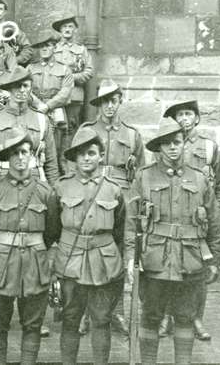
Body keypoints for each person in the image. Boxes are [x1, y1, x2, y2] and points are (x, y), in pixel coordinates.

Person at [125, 119, 220, 365]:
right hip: (154, 260)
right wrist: (129, 258)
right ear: (158, 148)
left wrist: (215, 261)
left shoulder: (200, 178)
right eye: (166, 144)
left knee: (186, 316)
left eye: (177, 142)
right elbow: (130, 222)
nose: (172, 148)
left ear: (184, 144)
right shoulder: (144, 177)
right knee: (150, 316)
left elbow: (213, 221)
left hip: (191, 260)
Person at [0, 129, 58, 365]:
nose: (21, 158)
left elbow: (52, 231)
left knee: (32, 324)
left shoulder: (45, 193)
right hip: (0, 266)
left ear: (32, 156)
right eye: (15, 153)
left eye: (25, 152)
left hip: (34, 266)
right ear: (7, 158)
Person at [50, 127, 126, 365]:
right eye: (81, 154)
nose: (86, 158)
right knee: (70, 318)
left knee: (101, 319)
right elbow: (52, 228)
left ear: (101, 156)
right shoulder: (61, 187)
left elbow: (120, 230)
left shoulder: (114, 189)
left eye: (91, 153)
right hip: (70, 261)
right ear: (74, 158)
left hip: (104, 263)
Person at [156, 100, 220, 340]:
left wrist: (218, 214)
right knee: (169, 266)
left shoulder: (208, 147)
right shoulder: (166, 144)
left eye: (188, 114)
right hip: (172, 216)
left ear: (196, 118)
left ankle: (196, 317)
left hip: (200, 219)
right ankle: (166, 316)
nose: (184, 119)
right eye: (180, 115)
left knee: (198, 269)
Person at [76, 79, 143, 335]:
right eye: (104, 102)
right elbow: (76, 164)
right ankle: (84, 313)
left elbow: (138, 174)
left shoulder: (132, 134)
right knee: (88, 249)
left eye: (113, 101)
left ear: (120, 101)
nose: (109, 107)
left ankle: (117, 312)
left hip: (122, 198)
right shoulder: (86, 129)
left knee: (120, 251)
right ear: (98, 105)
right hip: (91, 195)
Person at [0, 67, 60, 190]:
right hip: (1, 182)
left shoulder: (42, 119)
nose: (21, 90)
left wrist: (53, 192)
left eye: (25, 86)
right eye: (17, 86)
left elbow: (51, 163)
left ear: (30, 88)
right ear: (9, 89)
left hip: (35, 183)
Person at [27, 32, 74, 171]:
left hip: (56, 113)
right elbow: (25, 88)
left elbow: (65, 93)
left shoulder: (64, 69)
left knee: (56, 149)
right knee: (33, 144)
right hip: (34, 110)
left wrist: (47, 106)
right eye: (41, 46)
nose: (44, 49)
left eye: (48, 45)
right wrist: (38, 104)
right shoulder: (30, 68)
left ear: (55, 47)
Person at [52, 15, 92, 137]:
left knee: (72, 128)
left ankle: (70, 155)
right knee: (55, 128)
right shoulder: (53, 48)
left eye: (71, 26)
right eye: (64, 27)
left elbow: (89, 71)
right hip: (55, 94)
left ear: (75, 29)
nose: (67, 29)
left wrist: (71, 78)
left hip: (74, 96)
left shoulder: (81, 49)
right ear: (60, 30)